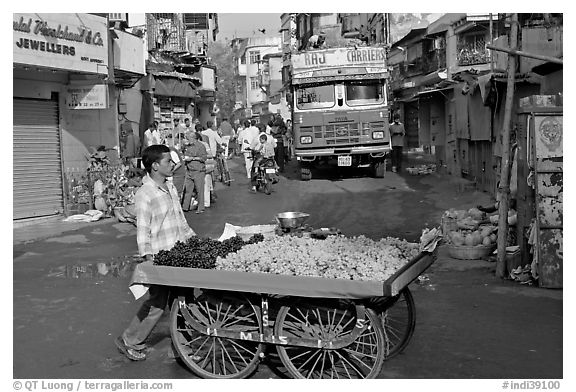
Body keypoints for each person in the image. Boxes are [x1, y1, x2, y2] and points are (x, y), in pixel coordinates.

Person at [115, 144, 195, 361]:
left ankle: (181, 348)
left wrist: (193, 240)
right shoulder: (145, 193)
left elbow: (180, 218)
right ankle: (129, 340)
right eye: (168, 161)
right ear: (155, 166)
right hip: (160, 256)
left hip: (179, 253)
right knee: (158, 304)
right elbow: (143, 228)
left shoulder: (170, 187)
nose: (172, 164)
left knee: (183, 301)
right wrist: (148, 256)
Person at [182, 132, 207, 214]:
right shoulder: (188, 147)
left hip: (198, 170)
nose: (187, 140)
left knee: (199, 190)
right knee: (188, 190)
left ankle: (201, 208)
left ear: (193, 138)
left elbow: (203, 158)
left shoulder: (200, 146)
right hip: (189, 170)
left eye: (188, 138)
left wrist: (192, 158)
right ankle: (185, 207)